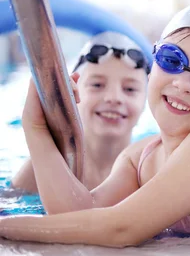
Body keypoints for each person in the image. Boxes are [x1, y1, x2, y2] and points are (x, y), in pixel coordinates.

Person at [0, 0, 190, 247]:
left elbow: (120, 229)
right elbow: (79, 216)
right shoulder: (140, 156)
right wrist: (35, 129)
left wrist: (5, 228)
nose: (183, 83)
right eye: (172, 60)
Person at [11, 31, 149, 192]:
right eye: (97, 85)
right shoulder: (46, 166)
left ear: (146, 100)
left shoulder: (149, 170)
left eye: (130, 89)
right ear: (73, 91)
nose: (114, 98)